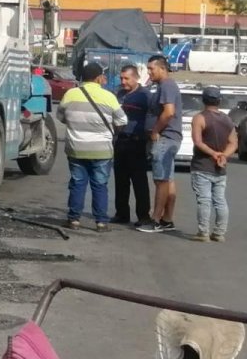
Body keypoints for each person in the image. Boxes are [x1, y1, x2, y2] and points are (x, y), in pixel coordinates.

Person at [57, 62, 127, 231]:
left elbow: (60, 116)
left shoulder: (70, 95)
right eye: (103, 75)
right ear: (98, 78)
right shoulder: (109, 97)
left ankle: (74, 219)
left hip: (76, 148)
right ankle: (101, 222)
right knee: (100, 185)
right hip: (101, 150)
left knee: (77, 183)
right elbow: (122, 121)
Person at [137, 55, 183, 234]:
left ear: (162, 68)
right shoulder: (163, 86)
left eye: (151, 69)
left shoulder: (167, 85)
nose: (149, 72)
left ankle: (155, 219)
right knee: (168, 179)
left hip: (165, 137)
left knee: (161, 180)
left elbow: (169, 112)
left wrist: (155, 130)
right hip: (168, 138)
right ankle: (167, 219)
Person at [189, 86, 236, 242]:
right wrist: (223, 155)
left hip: (202, 166)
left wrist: (213, 154)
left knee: (204, 200)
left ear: (203, 100)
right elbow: (233, 143)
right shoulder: (227, 119)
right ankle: (219, 232)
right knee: (220, 200)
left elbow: (198, 142)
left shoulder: (199, 118)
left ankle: (203, 232)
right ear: (219, 101)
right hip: (220, 168)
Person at [113, 65, 151, 226]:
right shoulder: (119, 94)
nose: (123, 82)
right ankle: (122, 214)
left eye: (127, 78)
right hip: (120, 142)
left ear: (136, 78)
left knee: (139, 181)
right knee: (120, 181)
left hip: (137, 143)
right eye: (121, 78)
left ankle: (143, 216)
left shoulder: (145, 96)